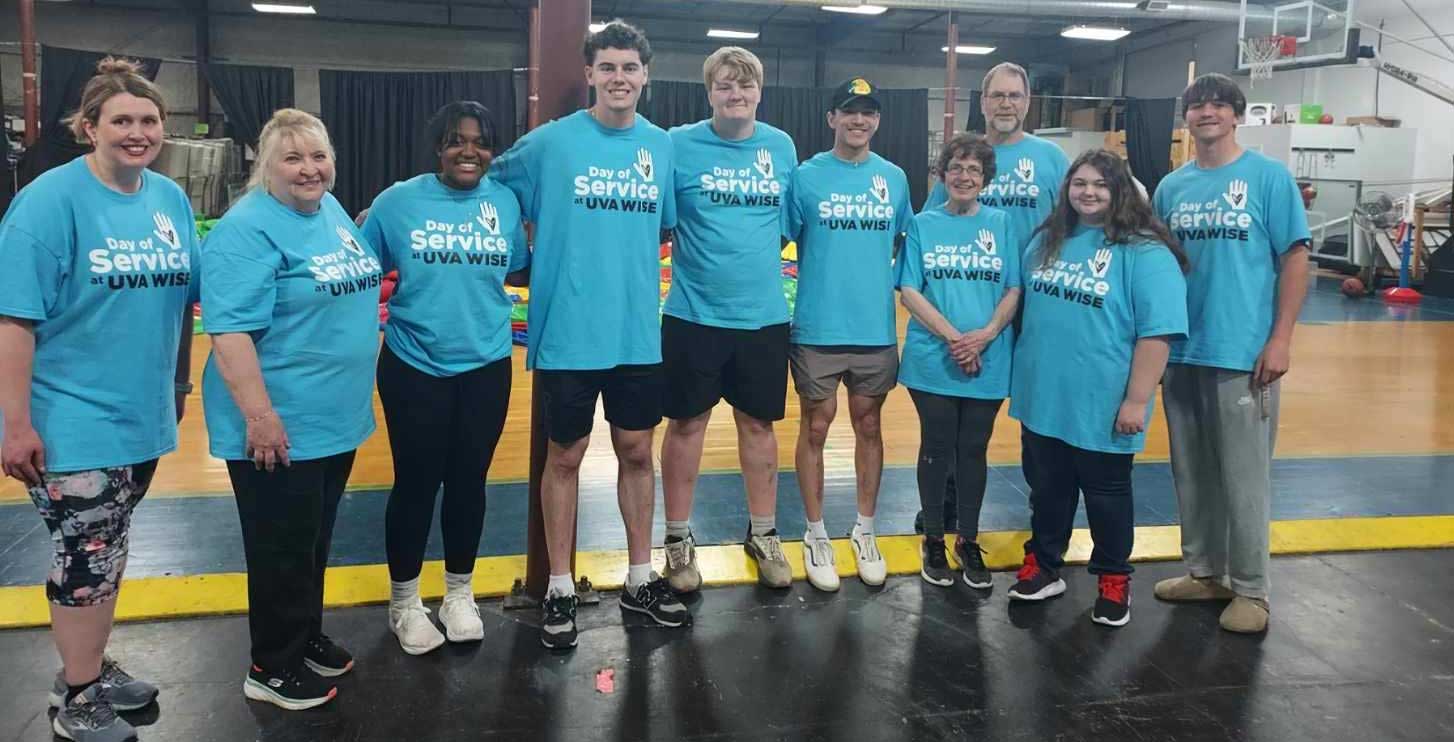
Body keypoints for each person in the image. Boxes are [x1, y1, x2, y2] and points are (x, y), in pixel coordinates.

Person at [0, 57, 196, 742]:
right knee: (84, 559)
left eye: (148, 120)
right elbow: (14, 319)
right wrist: (15, 424)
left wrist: (179, 383)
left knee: (106, 552)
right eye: (121, 121)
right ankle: (78, 697)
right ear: (90, 128)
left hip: (140, 417)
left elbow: (183, 305)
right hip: (69, 419)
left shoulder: (168, 200)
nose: (137, 132)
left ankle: (86, 665)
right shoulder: (49, 202)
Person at [491, 20, 684, 650]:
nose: (620, 78)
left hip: (635, 335)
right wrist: (520, 253)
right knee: (565, 458)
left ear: (645, 75)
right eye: (608, 67)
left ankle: (637, 577)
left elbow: (664, 229)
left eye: (630, 67)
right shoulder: (551, 144)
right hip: (569, 334)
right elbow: (488, 186)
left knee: (636, 453)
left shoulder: (660, 147)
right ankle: (559, 587)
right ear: (591, 74)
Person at [201, 108, 382, 709]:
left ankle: (303, 634)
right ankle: (271, 665)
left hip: (332, 419)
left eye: (319, 156)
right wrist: (260, 416)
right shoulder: (246, 229)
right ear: (265, 166)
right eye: (293, 158)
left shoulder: (326, 209)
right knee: (279, 544)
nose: (310, 169)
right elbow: (228, 334)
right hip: (278, 422)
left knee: (311, 539)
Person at [360, 101, 529, 654]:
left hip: (486, 367)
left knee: (468, 483)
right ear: (438, 147)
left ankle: (459, 593)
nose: (469, 151)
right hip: (414, 367)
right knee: (415, 483)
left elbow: (514, 267)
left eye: (480, 142)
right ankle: (404, 604)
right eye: (457, 140)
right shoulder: (397, 202)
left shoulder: (503, 203)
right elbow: (360, 272)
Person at [1151, 73, 1311, 634]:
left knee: (1244, 475)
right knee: (1192, 471)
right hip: (1182, 351)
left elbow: (1294, 258)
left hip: (1244, 353)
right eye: (1196, 105)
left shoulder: (1267, 178)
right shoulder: (1172, 187)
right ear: (1186, 119)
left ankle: (1251, 588)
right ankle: (1205, 572)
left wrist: (1281, 337)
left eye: (1218, 104)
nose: (1207, 113)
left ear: (1236, 115)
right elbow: (1159, 268)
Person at [1006, 149, 1188, 628]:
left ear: (1120, 190)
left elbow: (1158, 332)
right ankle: (1045, 565)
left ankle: (1113, 578)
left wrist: (1137, 399)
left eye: (1101, 184)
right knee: (1047, 489)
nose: (1088, 192)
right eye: (1080, 182)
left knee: (1107, 494)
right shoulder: (1048, 239)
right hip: (1044, 393)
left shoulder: (1145, 251)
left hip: (1105, 400)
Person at [658, 47, 798, 593]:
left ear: (759, 91)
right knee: (686, 425)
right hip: (693, 316)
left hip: (763, 318)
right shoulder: (678, 145)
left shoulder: (781, 146)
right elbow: (661, 220)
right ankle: (676, 540)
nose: (735, 94)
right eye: (724, 86)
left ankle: (763, 533)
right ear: (709, 91)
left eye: (744, 86)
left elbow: (783, 228)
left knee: (758, 427)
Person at [916, 61, 1070, 536]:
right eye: (997, 95)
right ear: (981, 102)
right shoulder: (962, 159)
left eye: (1015, 96)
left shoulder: (1051, 159)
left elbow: (1077, 221)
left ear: (1027, 102)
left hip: (1033, 305)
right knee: (951, 418)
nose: (1006, 104)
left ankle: (1044, 513)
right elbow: (930, 228)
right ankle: (945, 506)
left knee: (1035, 415)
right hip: (969, 308)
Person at [784, 77, 911, 592]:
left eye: (868, 113)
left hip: (875, 329)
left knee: (870, 426)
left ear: (877, 121)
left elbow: (908, 243)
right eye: (849, 111)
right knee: (816, 427)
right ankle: (816, 533)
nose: (859, 120)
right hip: (816, 326)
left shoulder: (895, 179)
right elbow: (779, 240)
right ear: (832, 118)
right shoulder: (806, 177)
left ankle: (865, 528)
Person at [896, 133, 1019, 590]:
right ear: (942, 174)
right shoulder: (925, 225)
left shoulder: (1003, 224)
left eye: (974, 169)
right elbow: (909, 290)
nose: (964, 176)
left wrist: (984, 337)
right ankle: (933, 537)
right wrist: (955, 340)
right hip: (934, 358)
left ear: (986, 177)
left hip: (988, 358)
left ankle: (967, 538)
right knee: (936, 446)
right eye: (956, 168)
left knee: (973, 449)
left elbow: (1013, 288)